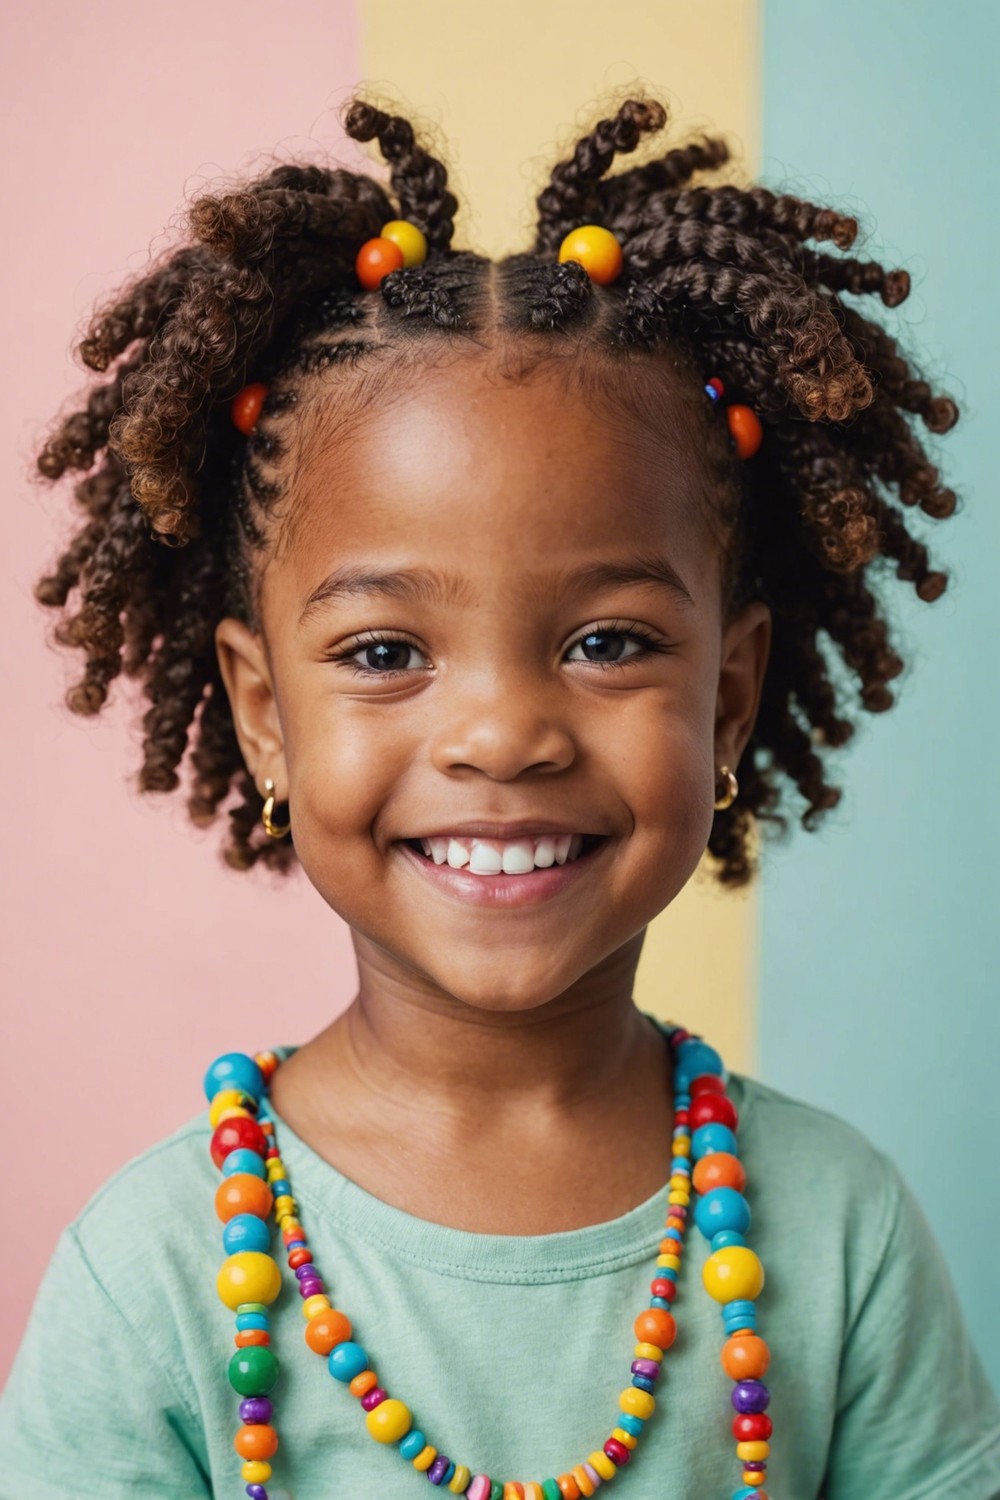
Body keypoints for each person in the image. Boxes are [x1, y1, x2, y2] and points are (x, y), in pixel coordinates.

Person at [2, 89, 998, 1500]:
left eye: (608, 642)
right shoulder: (151, 1275)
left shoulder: (839, 1237)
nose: (504, 733)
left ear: (726, 693)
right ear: (265, 713)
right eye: (387, 652)